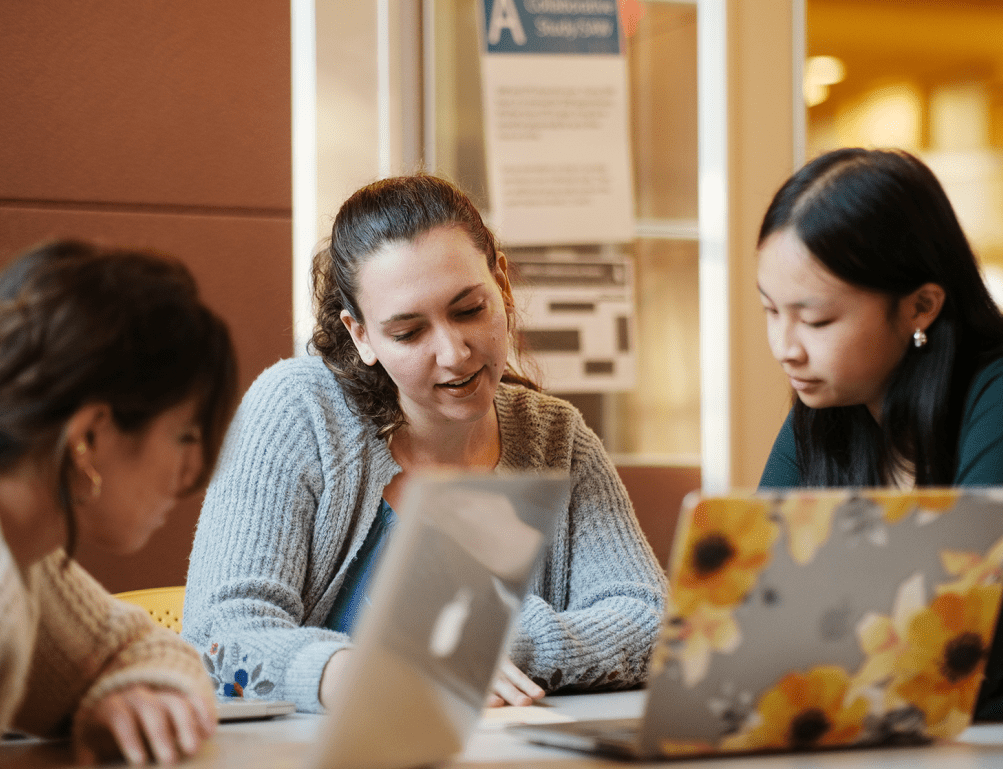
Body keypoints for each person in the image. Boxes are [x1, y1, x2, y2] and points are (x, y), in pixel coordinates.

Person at [182, 174, 667, 713]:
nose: (455, 353)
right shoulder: (298, 410)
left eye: (469, 311)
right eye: (409, 333)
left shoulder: (556, 436)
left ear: (501, 285)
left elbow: (650, 617)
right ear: (360, 334)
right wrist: (352, 671)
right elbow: (219, 632)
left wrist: (500, 641)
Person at [755, 147, 1003, 729]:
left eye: (817, 320)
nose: (786, 346)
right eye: (771, 311)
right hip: (900, 743)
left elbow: (951, 650)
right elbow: (762, 615)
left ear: (921, 306)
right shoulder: (828, 407)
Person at [0, 240, 238, 767]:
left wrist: (130, 692)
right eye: (184, 435)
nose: (188, 477)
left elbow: (137, 647)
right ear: (88, 436)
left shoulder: (22, 554)